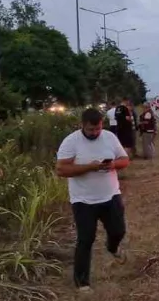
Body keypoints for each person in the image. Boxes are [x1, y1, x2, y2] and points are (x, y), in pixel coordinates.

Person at [55, 108, 130, 291]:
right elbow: (61, 170)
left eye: (97, 129)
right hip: (83, 200)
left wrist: (112, 165)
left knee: (118, 231)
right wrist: (90, 167)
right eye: (91, 130)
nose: (95, 133)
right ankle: (82, 283)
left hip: (110, 194)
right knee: (85, 239)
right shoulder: (71, 142)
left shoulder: (109, 137)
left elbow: (125, 160)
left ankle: (112, 248)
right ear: (82, 125)